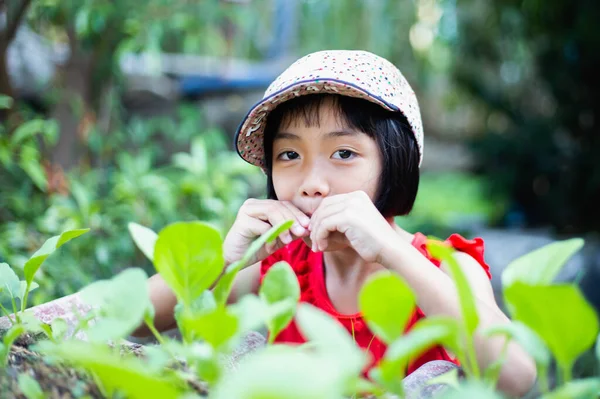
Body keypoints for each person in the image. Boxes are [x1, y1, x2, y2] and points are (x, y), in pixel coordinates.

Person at [134, 50, 536, 396]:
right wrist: (225, 258)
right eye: (289, 155)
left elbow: (515, 376)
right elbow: (132, 320)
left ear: (394, 162)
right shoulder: (278, 270)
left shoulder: (449, 268)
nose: (312, 184)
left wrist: (393, 252)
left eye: (343, 153)